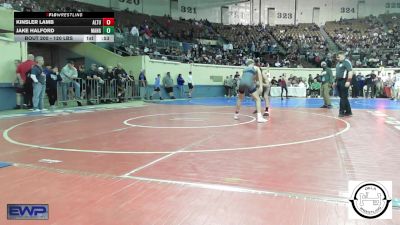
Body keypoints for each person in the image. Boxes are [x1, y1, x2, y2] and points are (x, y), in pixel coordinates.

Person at [234, 59, 267, 123]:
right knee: (258, 99)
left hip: (241, 83)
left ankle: (236, 114)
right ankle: (259, 117)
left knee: (240, 98)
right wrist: (261, 86)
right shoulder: (256, 67)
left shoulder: (244, 69)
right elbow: (260, 76)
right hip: (249, 82)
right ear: (253, 63)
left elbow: (240, 77)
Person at [333, 52, 353, 117]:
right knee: (343, 97)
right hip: (339, 81)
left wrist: (348, 81)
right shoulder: (338, 64)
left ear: (343, 56)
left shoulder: (346, 62)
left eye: (338, 57)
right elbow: (337, 74)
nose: (337, 58)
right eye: (337, 57)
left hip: (344, 81)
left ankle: (341, 112)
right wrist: (335, 81)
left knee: (343, 97)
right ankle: (348, 111)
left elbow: (350, 71)